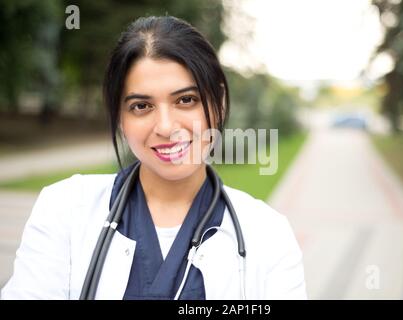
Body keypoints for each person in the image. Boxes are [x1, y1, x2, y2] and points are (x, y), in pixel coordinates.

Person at [1, 16, 306, 300]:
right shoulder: (64, 210)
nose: (165, 127)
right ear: (120, 118)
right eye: (141, 106)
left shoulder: (268, 235)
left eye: (186, 100)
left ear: (220, 103)